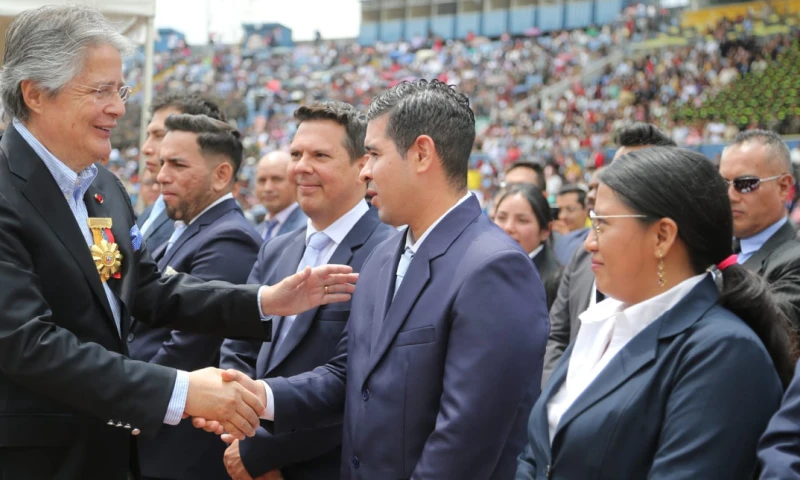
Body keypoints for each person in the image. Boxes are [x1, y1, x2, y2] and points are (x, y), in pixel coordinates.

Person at [0, 6, 357, 479]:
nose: (119, 107)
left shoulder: (100, 187)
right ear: (36, 93)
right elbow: (28, 343)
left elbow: (142, 286)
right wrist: (181, 389)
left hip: (106, 453)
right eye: (100, 90)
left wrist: (264, 301)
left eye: (120, 90)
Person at [200, 79, 549, 478]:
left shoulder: (493, 268)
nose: (364, 171)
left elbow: (464, 442)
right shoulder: (385, 255)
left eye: (373, 154)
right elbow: (349, 378)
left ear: (420, 154)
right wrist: (257, 396)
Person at [516, 147, 794, 479]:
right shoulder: (601, 320)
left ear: (662, 236)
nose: (589, 242)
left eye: (603, 224)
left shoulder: (723, 352)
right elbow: (537, 452)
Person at [220, 101, 394, 480]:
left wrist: (261, 452)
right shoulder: (277, 248)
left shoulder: (388, 254)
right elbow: (240, 342)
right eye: (296, 153)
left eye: (319, 155)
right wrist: (236, 425)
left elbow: (356, 382)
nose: (301, 166)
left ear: (362, 166)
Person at [128, 114, 264, 480]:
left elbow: (188, 344)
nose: (161, 176)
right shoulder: (186, 231)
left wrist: (126, 399)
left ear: (221, 175)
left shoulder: (229, 239)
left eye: (177, 165)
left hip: (177, 451)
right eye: (160, 164)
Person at [542, 122, 677, 385]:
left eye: (637, 173)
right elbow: (557, 336)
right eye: (617, 170)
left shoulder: (680, 276)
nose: (592, 243)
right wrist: (559, 396)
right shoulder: (582, 258)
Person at [720, 129, 800, 330]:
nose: (730, 195)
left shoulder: (794, 259)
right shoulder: (719, 250)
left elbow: (775, 327)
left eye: (745, 184)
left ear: (783, 187)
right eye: (722, 183)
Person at [138, 92, 225, 252]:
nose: (146, 148)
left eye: (160, 136)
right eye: (148, 135)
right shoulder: (152, 212)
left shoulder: (211, 225)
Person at [494, 183, 563, 309]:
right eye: (501, 217)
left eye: (522, 220)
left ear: (545, 231)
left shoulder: (559, 283)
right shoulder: (481, 271)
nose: (508, 227)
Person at [254, 150, 307, 242]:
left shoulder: (307, 229)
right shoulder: (255, 232)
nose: (268, 188)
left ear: (296, 181)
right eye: (262, 180)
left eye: (276, 179)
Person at [551, 185, 590, 265]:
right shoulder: (550, 235)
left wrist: (568, 237)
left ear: (586, 211)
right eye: (559, 210)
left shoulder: (591, 239)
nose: (562, 216)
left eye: (570, 209)